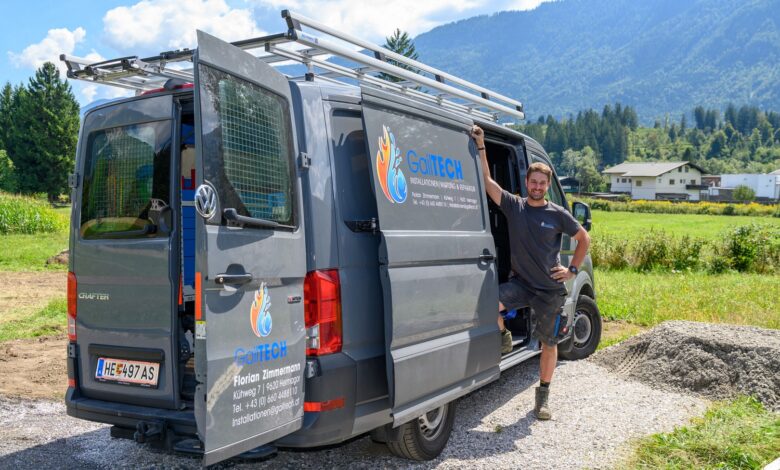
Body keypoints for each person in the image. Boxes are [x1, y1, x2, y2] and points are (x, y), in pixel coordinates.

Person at [470, 125, 591, 420]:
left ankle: (543, 398)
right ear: (526, 182)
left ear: (547, 186)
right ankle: (504, 336)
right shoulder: (514, 206)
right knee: (487, 306)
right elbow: (487, 182)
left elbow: (584, 239)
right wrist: (481, 145)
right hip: (521, 284)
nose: (537, 187)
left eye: (541, 183)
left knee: (549, 343)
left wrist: (572, 270)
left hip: (549, 289)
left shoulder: (558, 214)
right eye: (533, 182)